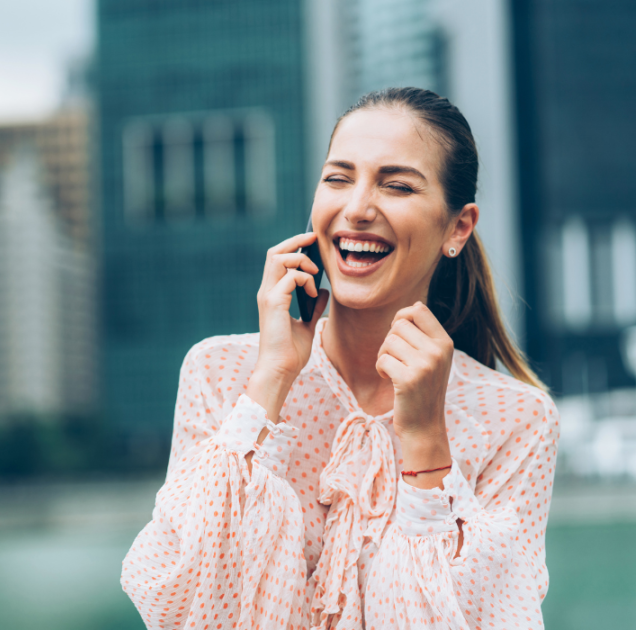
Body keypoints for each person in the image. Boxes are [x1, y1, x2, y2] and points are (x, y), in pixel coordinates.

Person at [121, 87, 559, 630]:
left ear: (458, 227)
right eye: (338, 178)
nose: (357, 209)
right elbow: (180, 603)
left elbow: (484, 617)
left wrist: (425, 440)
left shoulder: (518, 420)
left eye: (397, 185)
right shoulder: (219, 372)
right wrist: (271, 382)